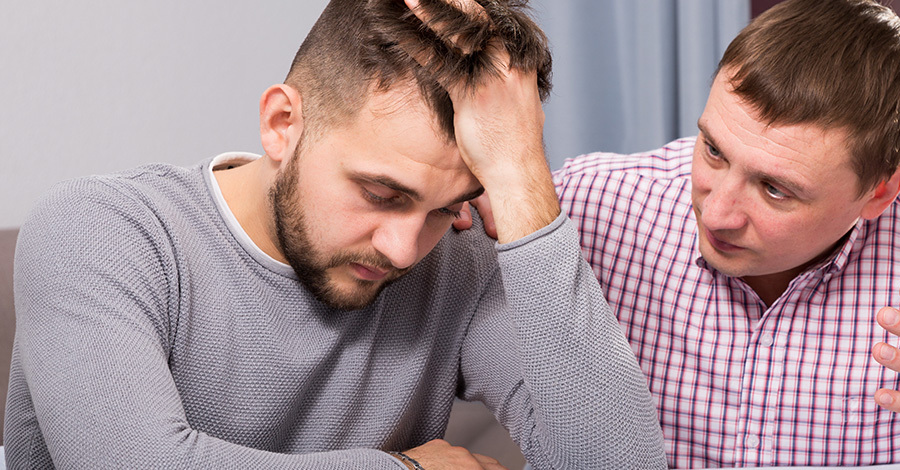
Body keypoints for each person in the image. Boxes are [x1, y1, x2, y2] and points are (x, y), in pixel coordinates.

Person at [2, 0, 667, 468]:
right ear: (282, 124)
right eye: (381, 194)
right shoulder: (98, 233)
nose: (404, 249)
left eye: (449, 207)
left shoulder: (459, 265)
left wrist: (522, 181)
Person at [458, 0, 900, 467]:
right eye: (713, 150)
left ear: (881, 193)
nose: (716, 214)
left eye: (775, 189)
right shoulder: (586, 207)